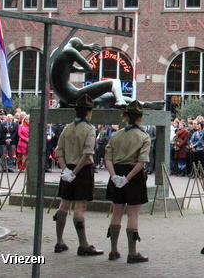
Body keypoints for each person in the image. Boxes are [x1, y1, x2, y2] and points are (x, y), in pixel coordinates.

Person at [53, 94, 103, 256]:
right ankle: (83, 244)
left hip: (67, 168)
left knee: (64, 204)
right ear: (88, 112)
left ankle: (59, 241)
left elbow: (59, 151)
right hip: (82, 171)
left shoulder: (67, 128)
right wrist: (74, 173)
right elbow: (87, 154)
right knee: (79, 207)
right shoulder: (89, 129)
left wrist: (65, 170)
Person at [105, 100, 151, 263]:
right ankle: (132, 252)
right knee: (133, 213)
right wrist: (127, 178)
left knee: (116, 211)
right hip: (134, 176)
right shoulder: (143, 136)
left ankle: (113, 250)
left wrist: (114, 176)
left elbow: (107, 157)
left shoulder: (116, 135)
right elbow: (142, 161)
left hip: (117, 171)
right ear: (140, 117)